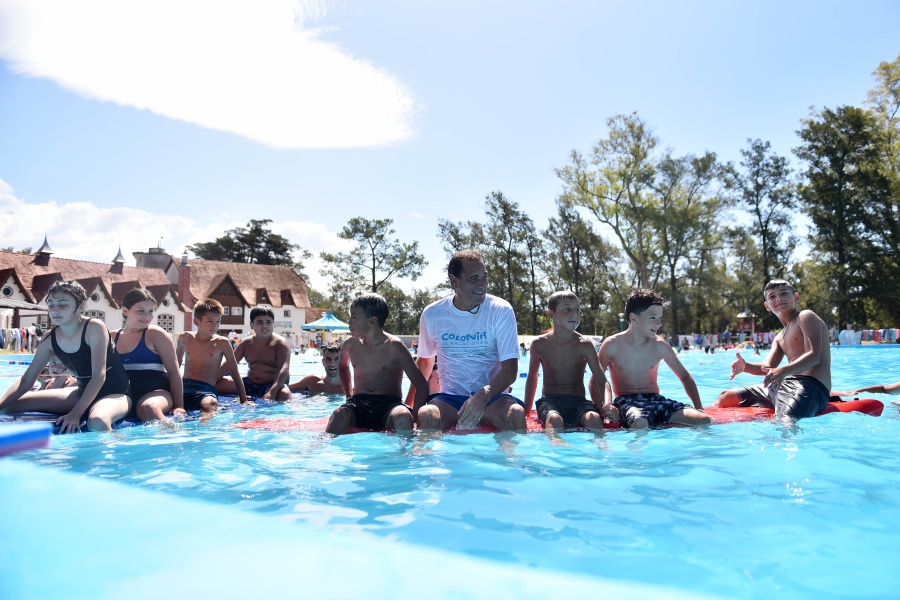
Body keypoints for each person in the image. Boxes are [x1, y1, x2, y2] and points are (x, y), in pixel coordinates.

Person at [405, 249, 526, 431]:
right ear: (454, 281)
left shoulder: (501, 310)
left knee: (515, 414)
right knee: (427, 416)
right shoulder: (433, 314)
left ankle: (509, 461)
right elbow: (425, 363)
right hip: (451, 400)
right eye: (474, 278)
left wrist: (482, 396)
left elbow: (510, 370)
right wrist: (410, 408)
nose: (482, 284)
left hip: (493, 399)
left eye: (484, 277)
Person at [0, 280, 131, 433]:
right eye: (51, 304)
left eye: (63, 305)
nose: (55, 310)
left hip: (115, 394)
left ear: (80, 307)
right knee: (8, 406)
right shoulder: (50, 338)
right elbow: (27, 380)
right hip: (80, 393)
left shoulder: (94, 328)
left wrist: (75, 414)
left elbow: (98, 376)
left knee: (97, 421)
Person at [592, 289, 710, 429]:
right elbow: (595, 382)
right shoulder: (612, 345)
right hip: (627, 402)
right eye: (653, 317)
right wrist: (603, 411)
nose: (659, 323)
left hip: (656, 400)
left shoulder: (660, 346)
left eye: (660, 318)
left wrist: (699, 406)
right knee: (640, 424)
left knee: (703, 420)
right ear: (633, 318)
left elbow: (685, 376)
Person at [714, 279, 832, 420]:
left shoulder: (805, 317)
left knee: (785, 420)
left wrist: (784, 370)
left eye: (783, 293)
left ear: (796, 297)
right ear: (767, 306)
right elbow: (768, 367)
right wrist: (745, 366)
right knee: (725, 397)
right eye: (772, 296)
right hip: (784, 384)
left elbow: (814, 356)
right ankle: (702, 422)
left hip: (812, 388)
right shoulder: (780, 337)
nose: (778, 298)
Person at [325, 293, 428, 434]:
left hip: (389, 405)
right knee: (338, 415)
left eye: (354, 317)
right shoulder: (350, 345)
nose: (349, 322)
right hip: (359, 403)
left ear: (372, 321)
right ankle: (318, 449)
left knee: (403, 417)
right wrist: (349, 396)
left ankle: (407, 452)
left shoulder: (394, 346)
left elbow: (421, 385)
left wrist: (415, 417)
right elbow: (342, 367)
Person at [524, 291, 616, 434]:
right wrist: (527, 412)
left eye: (578, 309)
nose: (574, 314)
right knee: (554, 420)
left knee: (594, 418)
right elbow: (532, 378)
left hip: (578, 402)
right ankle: (557, 444)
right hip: (550, 401)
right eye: (567, 309)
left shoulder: (585, 344)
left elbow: (602, 380)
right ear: (551, 314)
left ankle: (602, 450)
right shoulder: (539, 344)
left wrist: (608, 403)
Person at [111, 287, 186, 422]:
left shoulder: (156, 334)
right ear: (125, 311)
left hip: (156, 392)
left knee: (149, 408)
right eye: (141, 311)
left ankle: (172, 436)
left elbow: (174, 372)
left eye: (151, 311)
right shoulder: (112, 337)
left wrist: (179, 405)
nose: (147, 316)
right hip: (123, 394)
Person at [176, 298, 249, 417]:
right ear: (196, 321)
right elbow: (175, 367)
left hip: (206, 389)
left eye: (218, 321)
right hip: (184, 386)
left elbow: (235, 372)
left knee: (210, 404)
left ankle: (202, 430)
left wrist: (243, 399)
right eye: (210, 321)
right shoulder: (185, 338)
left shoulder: (222, 342)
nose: (215, 325)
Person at [216, 307, 291, 401]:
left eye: (268, 322)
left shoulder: (280, 343)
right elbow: (229, 364)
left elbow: (284, 369)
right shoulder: (246, 343)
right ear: (251, 325)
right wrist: (209, 382)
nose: (264, 326)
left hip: (271, 384)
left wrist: (273, 391)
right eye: (259, 322)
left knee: (284, 395)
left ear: (273, 324)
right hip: (250, 383)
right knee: (214, 385)